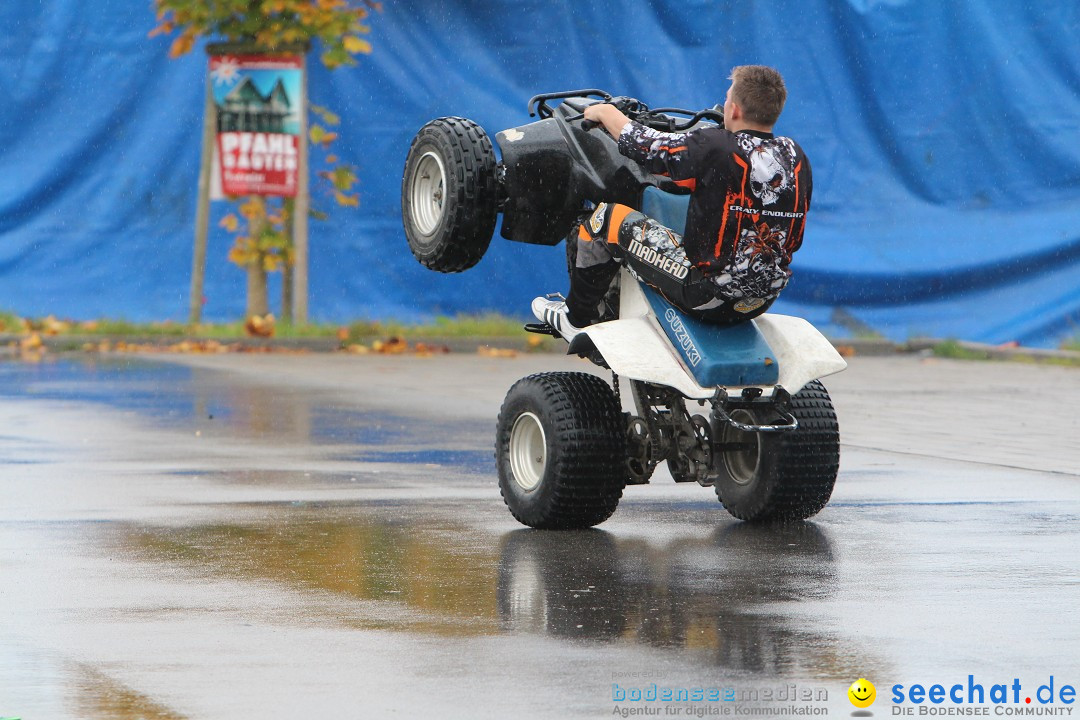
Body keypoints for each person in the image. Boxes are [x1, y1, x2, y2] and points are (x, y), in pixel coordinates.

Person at [531, 65, 812, 341]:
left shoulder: (716, 145)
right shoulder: (794, 156)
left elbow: (647, 145)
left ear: (734, 110)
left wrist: (605, 112)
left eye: (727, 99)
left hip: (707, 294)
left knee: (606, 219)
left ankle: (575, 318)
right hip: (762, 299)